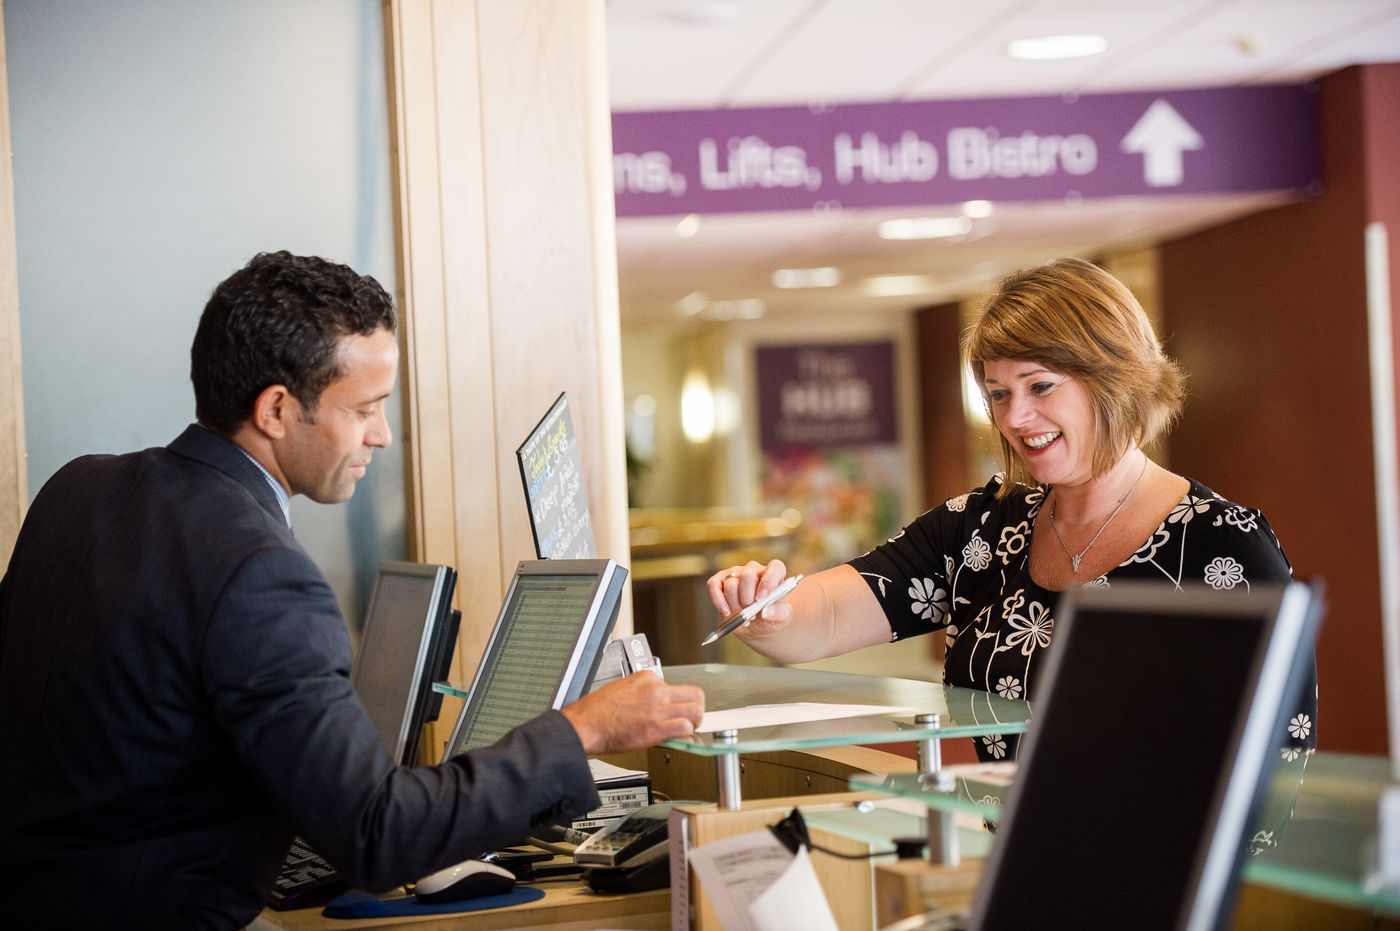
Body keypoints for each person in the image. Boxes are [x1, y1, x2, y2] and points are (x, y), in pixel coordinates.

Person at [0, 251, 705, 930]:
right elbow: (377, 834)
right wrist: (585, 728)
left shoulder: (77, 487)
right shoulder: (258, 570)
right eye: (366, 408)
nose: (384, 436)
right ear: (277, 408)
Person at [708, 257, 1316, 763]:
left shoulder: (1225, 545)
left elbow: (1277, 764)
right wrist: (772, 612)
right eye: (998, 395)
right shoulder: (979, 525)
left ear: (1115, 379)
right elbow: (836, 612)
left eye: (1040, 387)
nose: (1013, 418)